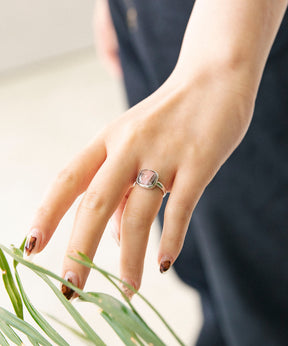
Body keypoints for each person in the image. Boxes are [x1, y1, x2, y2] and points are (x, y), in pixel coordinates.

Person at [24, 0, 288, 344]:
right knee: (197, 256)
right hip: (151, 18)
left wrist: (221, 61)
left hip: (240, 28)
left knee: (261, 289)